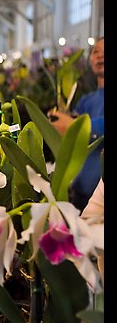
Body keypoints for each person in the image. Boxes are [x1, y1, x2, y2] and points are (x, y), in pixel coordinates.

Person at [49, 37, 104, 210]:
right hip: (79, 194)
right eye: (96, 52)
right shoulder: (86, 100)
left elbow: (79, 127)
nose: (100, 55)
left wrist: (75, 126)